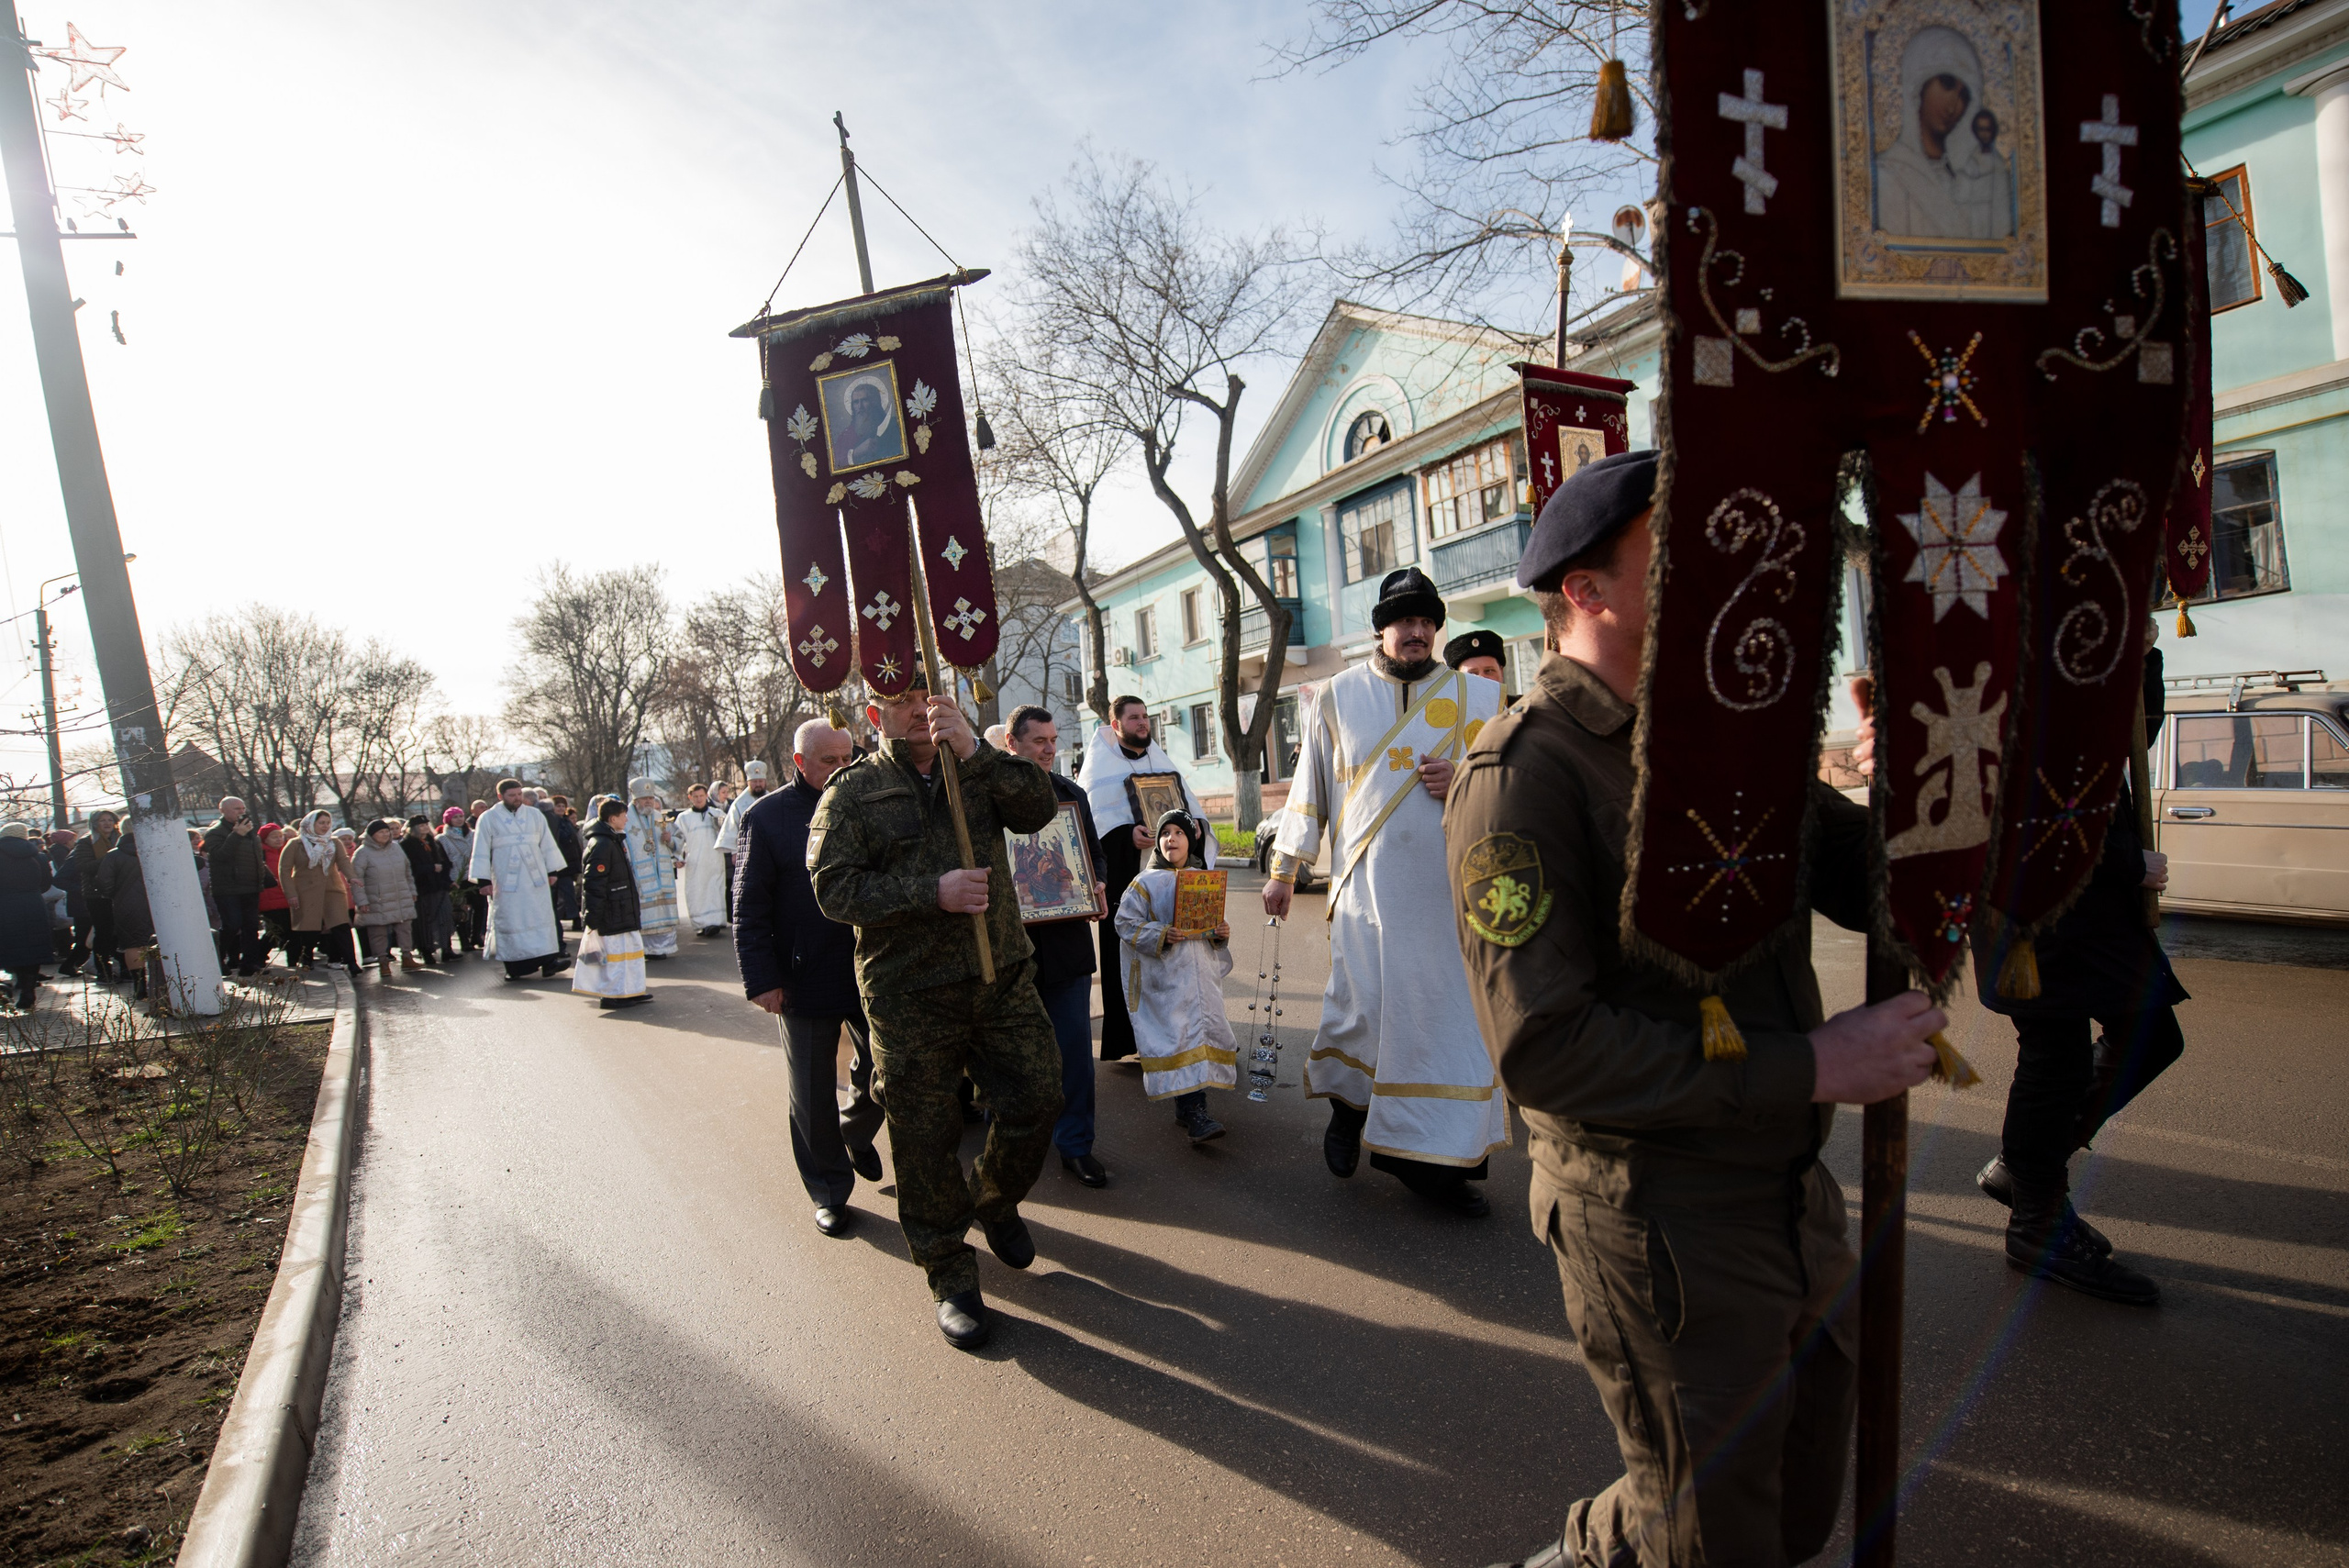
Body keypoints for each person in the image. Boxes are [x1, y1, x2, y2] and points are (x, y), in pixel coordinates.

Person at [1446, 450, 1945, 1568]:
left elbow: (1871, 878)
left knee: (1796, 1493)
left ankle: (1593, 1553)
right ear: (1587, 590)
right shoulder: (1522, 772)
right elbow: (1544, 1047)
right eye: (1679, 550)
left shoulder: (1726, 737)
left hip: (1786, 1189)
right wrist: (1811, 1066)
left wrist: (1927, 786)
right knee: (1720, 1531)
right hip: (1659, 1214)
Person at [809, 672, 1063, 1350]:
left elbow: (1041, 807)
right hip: (909, 993)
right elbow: (834, 887)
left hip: (997, 974)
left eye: (927, 695)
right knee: (923, 1137)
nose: (919, 710)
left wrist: (980, 754)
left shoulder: (977, 767)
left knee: (1039, 1095)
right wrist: (933, 891)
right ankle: (950, 1274)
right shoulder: (855, 790)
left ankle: (993, 1198)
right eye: (900, 701)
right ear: (875, 713)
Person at [1265, 565, 1508, 1216]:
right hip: (1366, 894)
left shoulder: (1479, 702)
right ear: (1381, 629)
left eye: (1429, 622)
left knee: (1441, 1029)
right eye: (1407, 621)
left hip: (1445, 898)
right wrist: (1286, 868)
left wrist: (1463, 778)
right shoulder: (1338, 697)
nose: (1419, 632)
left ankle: (1439, 1169)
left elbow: (1512, 790)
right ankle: (1350, 1111)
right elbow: (1310, 786)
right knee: (1363, 1012)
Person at [1965, 645, 2179, 1308]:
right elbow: (2018, 791)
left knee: (2151, 1034)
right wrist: (2121, 860)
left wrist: (2140, 652)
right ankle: (2036, 1222)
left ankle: (2025, 1171)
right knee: (2054, 1055)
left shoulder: (2087, 630)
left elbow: (2129, 733)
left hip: (2092, 900)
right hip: (2040, 900)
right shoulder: (2010, 642)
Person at [736, 717, 885, 1233]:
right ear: (800, 763)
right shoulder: (767, 817)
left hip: (874, 968)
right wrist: (762, 978)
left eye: (850, 758)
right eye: (830, 761)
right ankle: (829, 1189)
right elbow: (749, 905)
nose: (844, 769)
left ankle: (856, 1132)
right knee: (811, 1089)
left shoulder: (872, 802)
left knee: (885, 1073)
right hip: (803, 976)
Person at [1005, 705, 1111, 1187]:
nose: (1049, 749)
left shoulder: (1072, 796)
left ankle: (1075, 1145)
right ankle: (1008, 1148)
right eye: (1038, 741)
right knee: (1010, 1058)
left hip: (1066, 948)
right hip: (1010, 951)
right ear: (1013, 745)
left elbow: (1093, 853)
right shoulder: (989, 799)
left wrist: (1098, 884)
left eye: (1053, 740)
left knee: (1074, 1054)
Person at [1081, 696, 1215, 1062]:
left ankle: (1180, 1034)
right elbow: (1092, 829)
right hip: (1127, 879)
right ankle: (1132, 1040)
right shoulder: (1098, 766)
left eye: (1145, 717)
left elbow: (1191, 811)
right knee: (1128, 959)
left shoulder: (1161, 762)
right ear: (1115, 724)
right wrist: (1128, 836)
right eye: (1134, 717)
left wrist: (1198, 828)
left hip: (1168, 882)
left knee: (1174, 957)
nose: (1143, 723)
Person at [1117, 809, 1239, 1145]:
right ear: (1158, 841)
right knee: (1179, 1038)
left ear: (1191, 840)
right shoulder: (1145, 882)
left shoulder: (1203, 878)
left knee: (1200, 1033)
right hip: (1166, 980)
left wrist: (1221, 933)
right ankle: (1195, 1111)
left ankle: (1190, 1109)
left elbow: (1210, 925)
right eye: (1165, 833)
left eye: (1179, 833)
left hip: (1200, 976)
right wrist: (1159, 934)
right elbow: (1124, 923)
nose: (1172, 838)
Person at [469, 778, 573, 982]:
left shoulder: (534, 815)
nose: (517, 799)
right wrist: (483, 881)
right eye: (512, 795)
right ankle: (515, 966)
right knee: (512, 919)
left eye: (519, 794)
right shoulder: (488, 818)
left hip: (535, 879)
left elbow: (547, 843)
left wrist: (552, 871)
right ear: (500, 796)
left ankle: (549, 961)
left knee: (541, 917)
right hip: (507, 881)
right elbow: (481, 848)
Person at [577, 796, 652, 1010]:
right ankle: (611, 995)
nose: (627, 819)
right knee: (614, 955)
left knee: (629, 951)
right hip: (612, 911)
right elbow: (594, 883)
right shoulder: (601, 844)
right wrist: (592, 915)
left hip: (622, 908)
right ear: (612, 819)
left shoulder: (612, 839)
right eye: (623, 816)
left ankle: (629, 991)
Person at [280, 810, 360, 976]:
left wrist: (352, 877)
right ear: (310, 824)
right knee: (309, 928)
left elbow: (343, 862)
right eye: (321, 823)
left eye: (327, 823)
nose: (325, 826)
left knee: (341, 926)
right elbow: (284, 870)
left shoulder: (334, 842)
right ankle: (306, 958)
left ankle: (352, 963)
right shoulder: (296, 844)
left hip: (332, 889)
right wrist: (291, 894)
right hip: (306, 891)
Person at [203, 797, 269, 977]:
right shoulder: (215, 832)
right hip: (227, 888)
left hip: (250, 886)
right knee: (232, 924)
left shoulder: (249, 830)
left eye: (242, 808)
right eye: (236, 809)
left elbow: (256, 857)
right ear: (223, 810)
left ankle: (249, 964)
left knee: (251, 926)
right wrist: (236, 835)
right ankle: (217, 957)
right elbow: (220, 855)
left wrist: (261, 879)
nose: (241, 812)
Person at [348, 818, 421, 980]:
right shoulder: (362, 853)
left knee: (405, 927)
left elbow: (407, 872)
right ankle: (383, 962)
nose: (385, 834)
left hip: (400, 895)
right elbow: (356, 880)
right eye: (381, 832)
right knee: (378, 932)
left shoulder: (396, 848)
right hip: (377, 899)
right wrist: (362, 901)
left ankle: (407, 957)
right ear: (371, 835)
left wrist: (412, 891)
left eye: (387, 832)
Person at [93, 825, 159, 999]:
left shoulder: (114, 855)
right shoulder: (157, 849)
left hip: (128, 905)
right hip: (160, 903)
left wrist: (117, 894)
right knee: (162, 941)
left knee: (133, 944)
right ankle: (162, 983)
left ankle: (139, 987)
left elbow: (105, 884)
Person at [623, 780, 681, 958]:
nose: (648, 802)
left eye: (650, 798)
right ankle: (645, 948)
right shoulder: (625, 819)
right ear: (635, 799)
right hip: (640, 874)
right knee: (643, 910)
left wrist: (670, 840)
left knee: (663, 909)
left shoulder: (660, 817)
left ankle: (664, 947)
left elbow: (679, 838)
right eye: (644, 798)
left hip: (662, 874)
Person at [0, 822, 55, 1011]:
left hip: (4, 905)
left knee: (10, 945)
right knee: (33, 946)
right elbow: (47, 883)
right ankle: (28, 990)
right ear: (24, 836)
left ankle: (18, 981)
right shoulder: (38, 856)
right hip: (33, 904)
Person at [71, 810, 123, 983]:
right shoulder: (86, 842)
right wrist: (110, 858)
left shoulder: (120, 839)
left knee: (120, 932)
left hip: (119, 892)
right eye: (102, 820)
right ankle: (103, 971)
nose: (107, 823)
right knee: (103, 932)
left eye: (110, 820)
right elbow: (84, 866)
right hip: (96, 894)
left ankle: (123, 968)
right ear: (95, 823)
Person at [674, 783, 729, 937]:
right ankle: (701, 924)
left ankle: (716, 922)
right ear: (690, 798)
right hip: (696, 861)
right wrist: (677, 857)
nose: (699, 799)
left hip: (714, 860)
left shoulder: (717, 814)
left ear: (706, 796)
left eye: (701, 796)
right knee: (697, 891)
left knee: (715, 889)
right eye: (695, 797)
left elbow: (729, 834)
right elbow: (678, 839)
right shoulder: (684, 818)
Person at [402, 815, 458, 965]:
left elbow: (445, 862)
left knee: (444, 916)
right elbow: (409, 868)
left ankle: (447, 949)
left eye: (426, 825)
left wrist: (448, 881)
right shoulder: (407, 845)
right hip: (422, 888)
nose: (425, 828)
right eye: (421, 826)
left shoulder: (434, 842)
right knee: (424, 921)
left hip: (439, 885)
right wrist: (430, 868)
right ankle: (426, 951)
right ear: (413, 828)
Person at [437, 806, 479, 953]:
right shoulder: (443, 838)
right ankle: (464, 940)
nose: (459, 819)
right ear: (449, 820)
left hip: (474, 875)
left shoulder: (473, 834)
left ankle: (476, 936)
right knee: (460, 911)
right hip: (456, 877)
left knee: (479, 906)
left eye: (461, 816)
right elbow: (443, 860)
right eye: (455, 817)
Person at [257, 823, 293, 967]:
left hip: (286, 897)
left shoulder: (285, 851)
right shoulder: (261, 853)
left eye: (280, 836)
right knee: (276, 930)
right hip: (270, 898)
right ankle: (258, 954)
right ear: (265, 839)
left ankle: (293, 960)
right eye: (274, 837)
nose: (279, 839)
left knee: (288, 930)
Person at [1444, 628, 1508, 686]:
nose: (1482, 678)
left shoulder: (1518, 699)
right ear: (1457, 679)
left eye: (1489, 671)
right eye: (1472, 674)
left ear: (1501, 672)